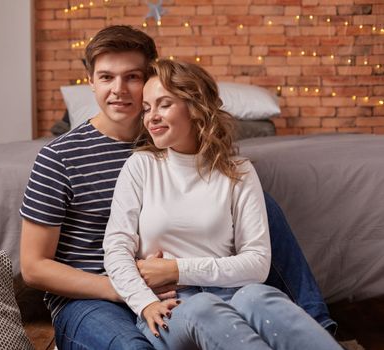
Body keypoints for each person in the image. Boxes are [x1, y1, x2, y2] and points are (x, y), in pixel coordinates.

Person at [19, 25, 334, 350]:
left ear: (152, 79)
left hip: (172, 282)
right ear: (90, 81)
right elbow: (33, 267)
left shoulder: (167, 136)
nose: (119, 90)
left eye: (132, 77)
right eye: (106, 77)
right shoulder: (59, 157)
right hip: (93, 296)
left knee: (258, 204)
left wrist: (175, 271)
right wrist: (122, 288)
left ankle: (314, 326)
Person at [103, 59, 341, 350]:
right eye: (147, 108)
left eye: (164, 104)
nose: (151, 117)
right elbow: (116, 249)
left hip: (233, 293)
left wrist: (176, 269)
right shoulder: (141, 166)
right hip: (170, 309)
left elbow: (256, 264)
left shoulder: (238, 171)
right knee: (203, 305)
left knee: (257, 296)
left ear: (194, 107)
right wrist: (145, 303)